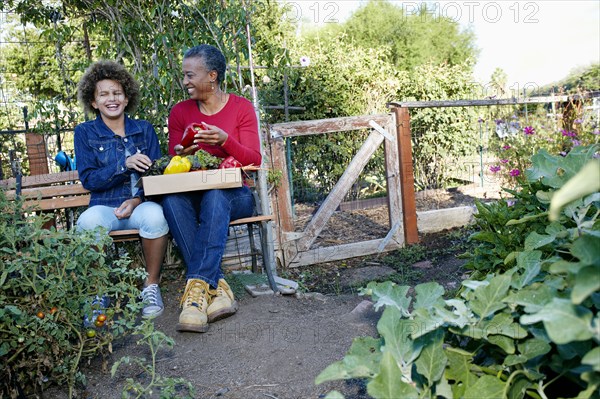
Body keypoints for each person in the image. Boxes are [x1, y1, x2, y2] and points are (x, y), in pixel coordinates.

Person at [162, 44, 261, 333]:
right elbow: (173, 161)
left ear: (212, 76)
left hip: (236, 195)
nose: (185, 82)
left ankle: (195, 295)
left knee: (216, 196)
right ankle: (216, 289)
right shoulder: (180, 112)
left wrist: (224, 140)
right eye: (184, 75)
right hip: (193, 194)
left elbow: (254, 159)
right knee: (170, 200)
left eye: (191, 75)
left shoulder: (241, 108)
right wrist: (185, 150)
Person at [74, 60, 169, 318]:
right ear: (93, 102)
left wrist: (137, 201)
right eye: (103, 94)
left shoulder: (144, 130)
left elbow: (157, 176)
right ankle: (97, 292)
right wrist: (123, 165)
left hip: (139, 205)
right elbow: (89, 180)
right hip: (104, 207)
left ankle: (150, 286)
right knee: (88, 223)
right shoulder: (84, 133)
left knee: (156, 216)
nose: (111, 99)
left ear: (127, 98)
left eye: (117, 93)